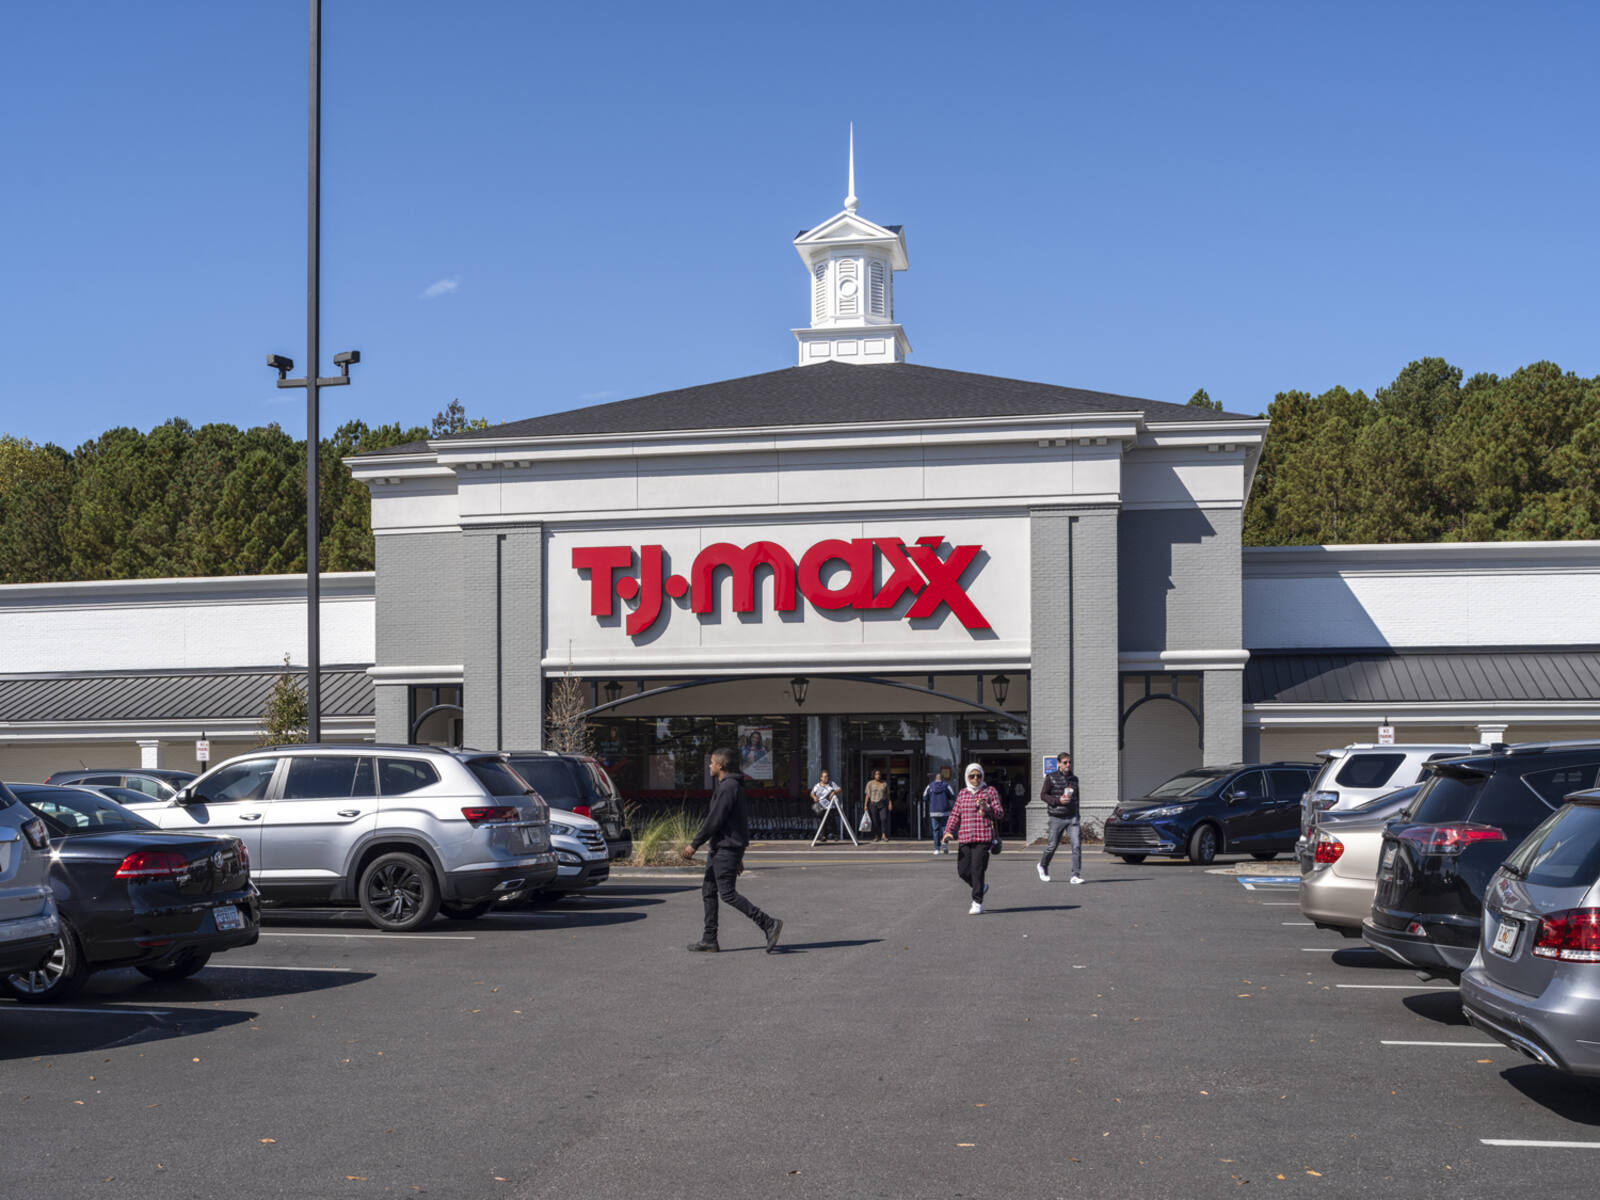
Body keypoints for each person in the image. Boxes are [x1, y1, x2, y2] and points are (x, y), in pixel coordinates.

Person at [681, 747, 783, 953]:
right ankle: (709, 939)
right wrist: (739, 855)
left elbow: (715, 820)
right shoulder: (729, 786)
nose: (709, 765)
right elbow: (737, 823)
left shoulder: (729, 787)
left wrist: (694, 844)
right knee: (708, 890)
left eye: (711, 762)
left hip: (726, 848)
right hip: (724, 848)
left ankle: (768, 923)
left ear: (720, 765)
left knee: (727, 893)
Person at [941, 763, 1004, 914]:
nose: (975, 779)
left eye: (978, 776)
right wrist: (948, 831)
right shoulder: (963, 793)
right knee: (963, 871)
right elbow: (955, 815)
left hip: (983, 837)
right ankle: (981, 887)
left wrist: (987, 808)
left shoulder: (990, 791)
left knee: (977, 869)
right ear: (967, 777)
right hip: (965, 837)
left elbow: (1000, 813)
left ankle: (977, 901)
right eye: (972, 776)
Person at [1037, 750, 1082, 884]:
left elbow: (1077, 798)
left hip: (1072, 817)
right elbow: (1043, 795)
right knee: (1052, 845)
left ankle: (1075, 875)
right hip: (1056, 817)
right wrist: (1058, 801)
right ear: (1058, 764)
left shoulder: (1074, 779)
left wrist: (1077, 813)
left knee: (1076, 846)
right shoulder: (1050, 777)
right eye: (1065, 762)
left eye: (1069, 762)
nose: (1068, 765)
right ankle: (1043, 866)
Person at [922, 767, 956, 854]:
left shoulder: (930, 786)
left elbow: (924, 797)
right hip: (945, 811)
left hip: (934, 811)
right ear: (942, 779)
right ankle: (945, 845)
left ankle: (937, 848)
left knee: (935, 830)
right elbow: (952, 796)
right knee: (945, 830)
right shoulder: (946, 786)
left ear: (935, 779)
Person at [810, 768, 843, 841]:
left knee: (831, 820)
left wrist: (833, 792)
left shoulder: (831, 783)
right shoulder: (817, 786)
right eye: (824, 777)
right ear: (821, 778)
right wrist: (814, 797)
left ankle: (835, 834)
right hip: (821, 806)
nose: (826, 778)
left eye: (827, 776)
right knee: (822, 821)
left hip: (831, 805)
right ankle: (823, 836)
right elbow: (812, 793)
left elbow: (839, 789)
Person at [864, 768, 890, 842]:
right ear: (873, 775)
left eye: (879, 774)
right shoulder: (870, 783)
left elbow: (888, 794)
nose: (878, 775)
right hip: (873, 803)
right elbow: (867, 795)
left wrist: (890, 803)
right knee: (875, 820)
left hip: (882, 803)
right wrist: (865, 805)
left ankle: (883, 835)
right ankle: (876, 836)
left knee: (883, 818)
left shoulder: (884, 783)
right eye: (876, 774)